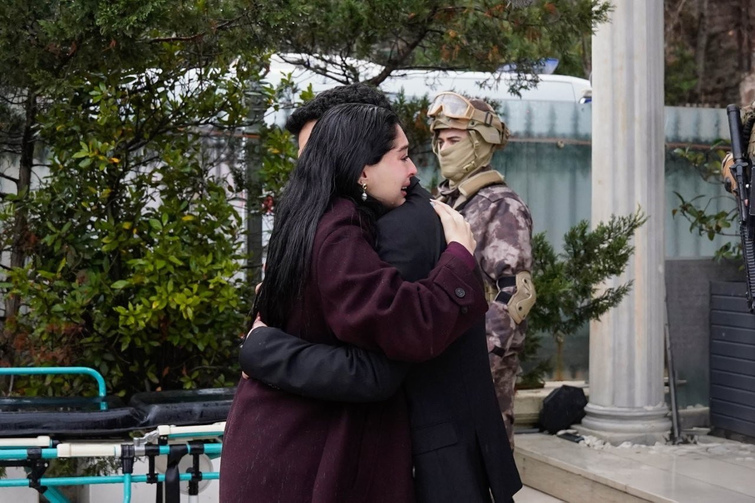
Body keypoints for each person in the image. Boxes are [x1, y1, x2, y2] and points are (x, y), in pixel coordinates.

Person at [238, 84, 522, 502]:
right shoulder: (334, 223)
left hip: (354, 451)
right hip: (295, 451)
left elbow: (383, 358)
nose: (313, 165)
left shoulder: (390, 224)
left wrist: (262, 350)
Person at [429, 92, 536, 448]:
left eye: (454, 140)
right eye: (440, 140)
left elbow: (516, 296)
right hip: (438, 356)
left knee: (482, 461)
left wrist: (476, 359)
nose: (444, 148)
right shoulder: (446, 201)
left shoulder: (501, 206)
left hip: (478, 366)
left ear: (481, 142)